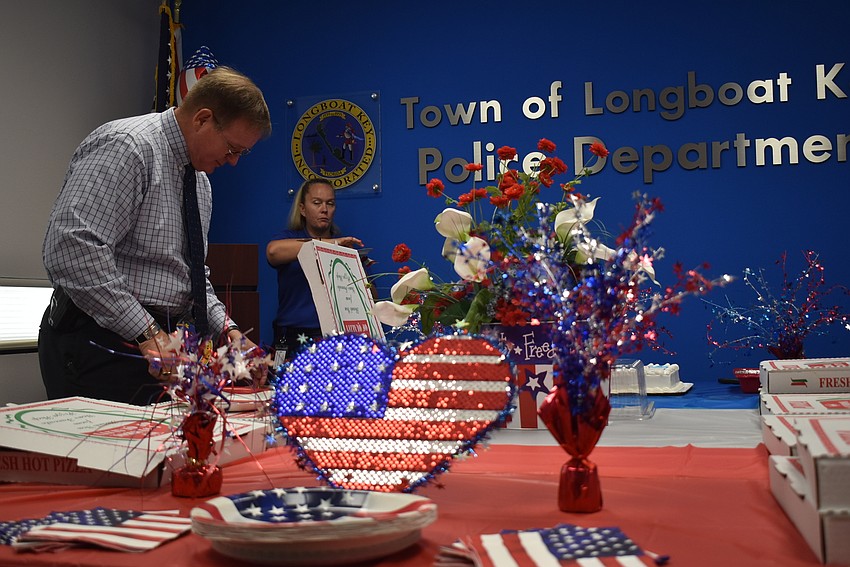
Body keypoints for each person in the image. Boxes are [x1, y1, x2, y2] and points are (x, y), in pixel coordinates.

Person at [38, 66, 272, 406]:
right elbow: (72, 249)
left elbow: (190, 277)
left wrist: (230, 332)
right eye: (233, 148)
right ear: (203, 119)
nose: (234, 161)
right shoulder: (128, 147)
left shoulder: (200, 183)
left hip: (159, 346)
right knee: (107, 459)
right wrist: (147, 332)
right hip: (99, 342)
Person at [266, 178, 363, 358]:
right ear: (302, 208)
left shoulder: (345, 247)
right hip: (288, 338)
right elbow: (273, 252)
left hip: (331, 339)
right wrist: (329, 244)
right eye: (317, 203)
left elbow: (367, 297)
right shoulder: (289, 238)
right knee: (278, 383)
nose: (324, 209)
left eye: (330, 203)